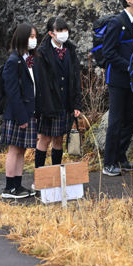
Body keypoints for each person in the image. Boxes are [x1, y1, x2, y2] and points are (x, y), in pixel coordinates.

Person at [100, 0, 133, 176]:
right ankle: (108, 162)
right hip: (118, 78)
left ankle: (122, 158)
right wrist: (128, 66)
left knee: (130, 119)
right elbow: (108, 52)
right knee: (116, 120)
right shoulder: (117, 22)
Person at [34, 17, 82, 169]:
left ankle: (57, 176)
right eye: (60, 31)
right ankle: (39, 176)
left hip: (64, 102)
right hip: (49, 103)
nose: (64, 33)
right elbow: (40, 82)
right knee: (44, 139)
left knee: (58, 140)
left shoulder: (70, 50)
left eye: (65, 30)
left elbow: (75, 79)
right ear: (51, 33)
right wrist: (43, 106)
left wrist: (76, 104)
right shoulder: (41, 53)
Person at [1, 23, 38, 199]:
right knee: (14, 150)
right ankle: (9, 188)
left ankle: (18, 185)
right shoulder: (13, 61)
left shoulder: (28, 59)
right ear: (22, 37)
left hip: (28, 113)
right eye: (31, 36)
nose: (34, 40)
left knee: (22, 150)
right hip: (17, 114)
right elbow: (12, 91)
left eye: (35, 36)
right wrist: (21, 116)